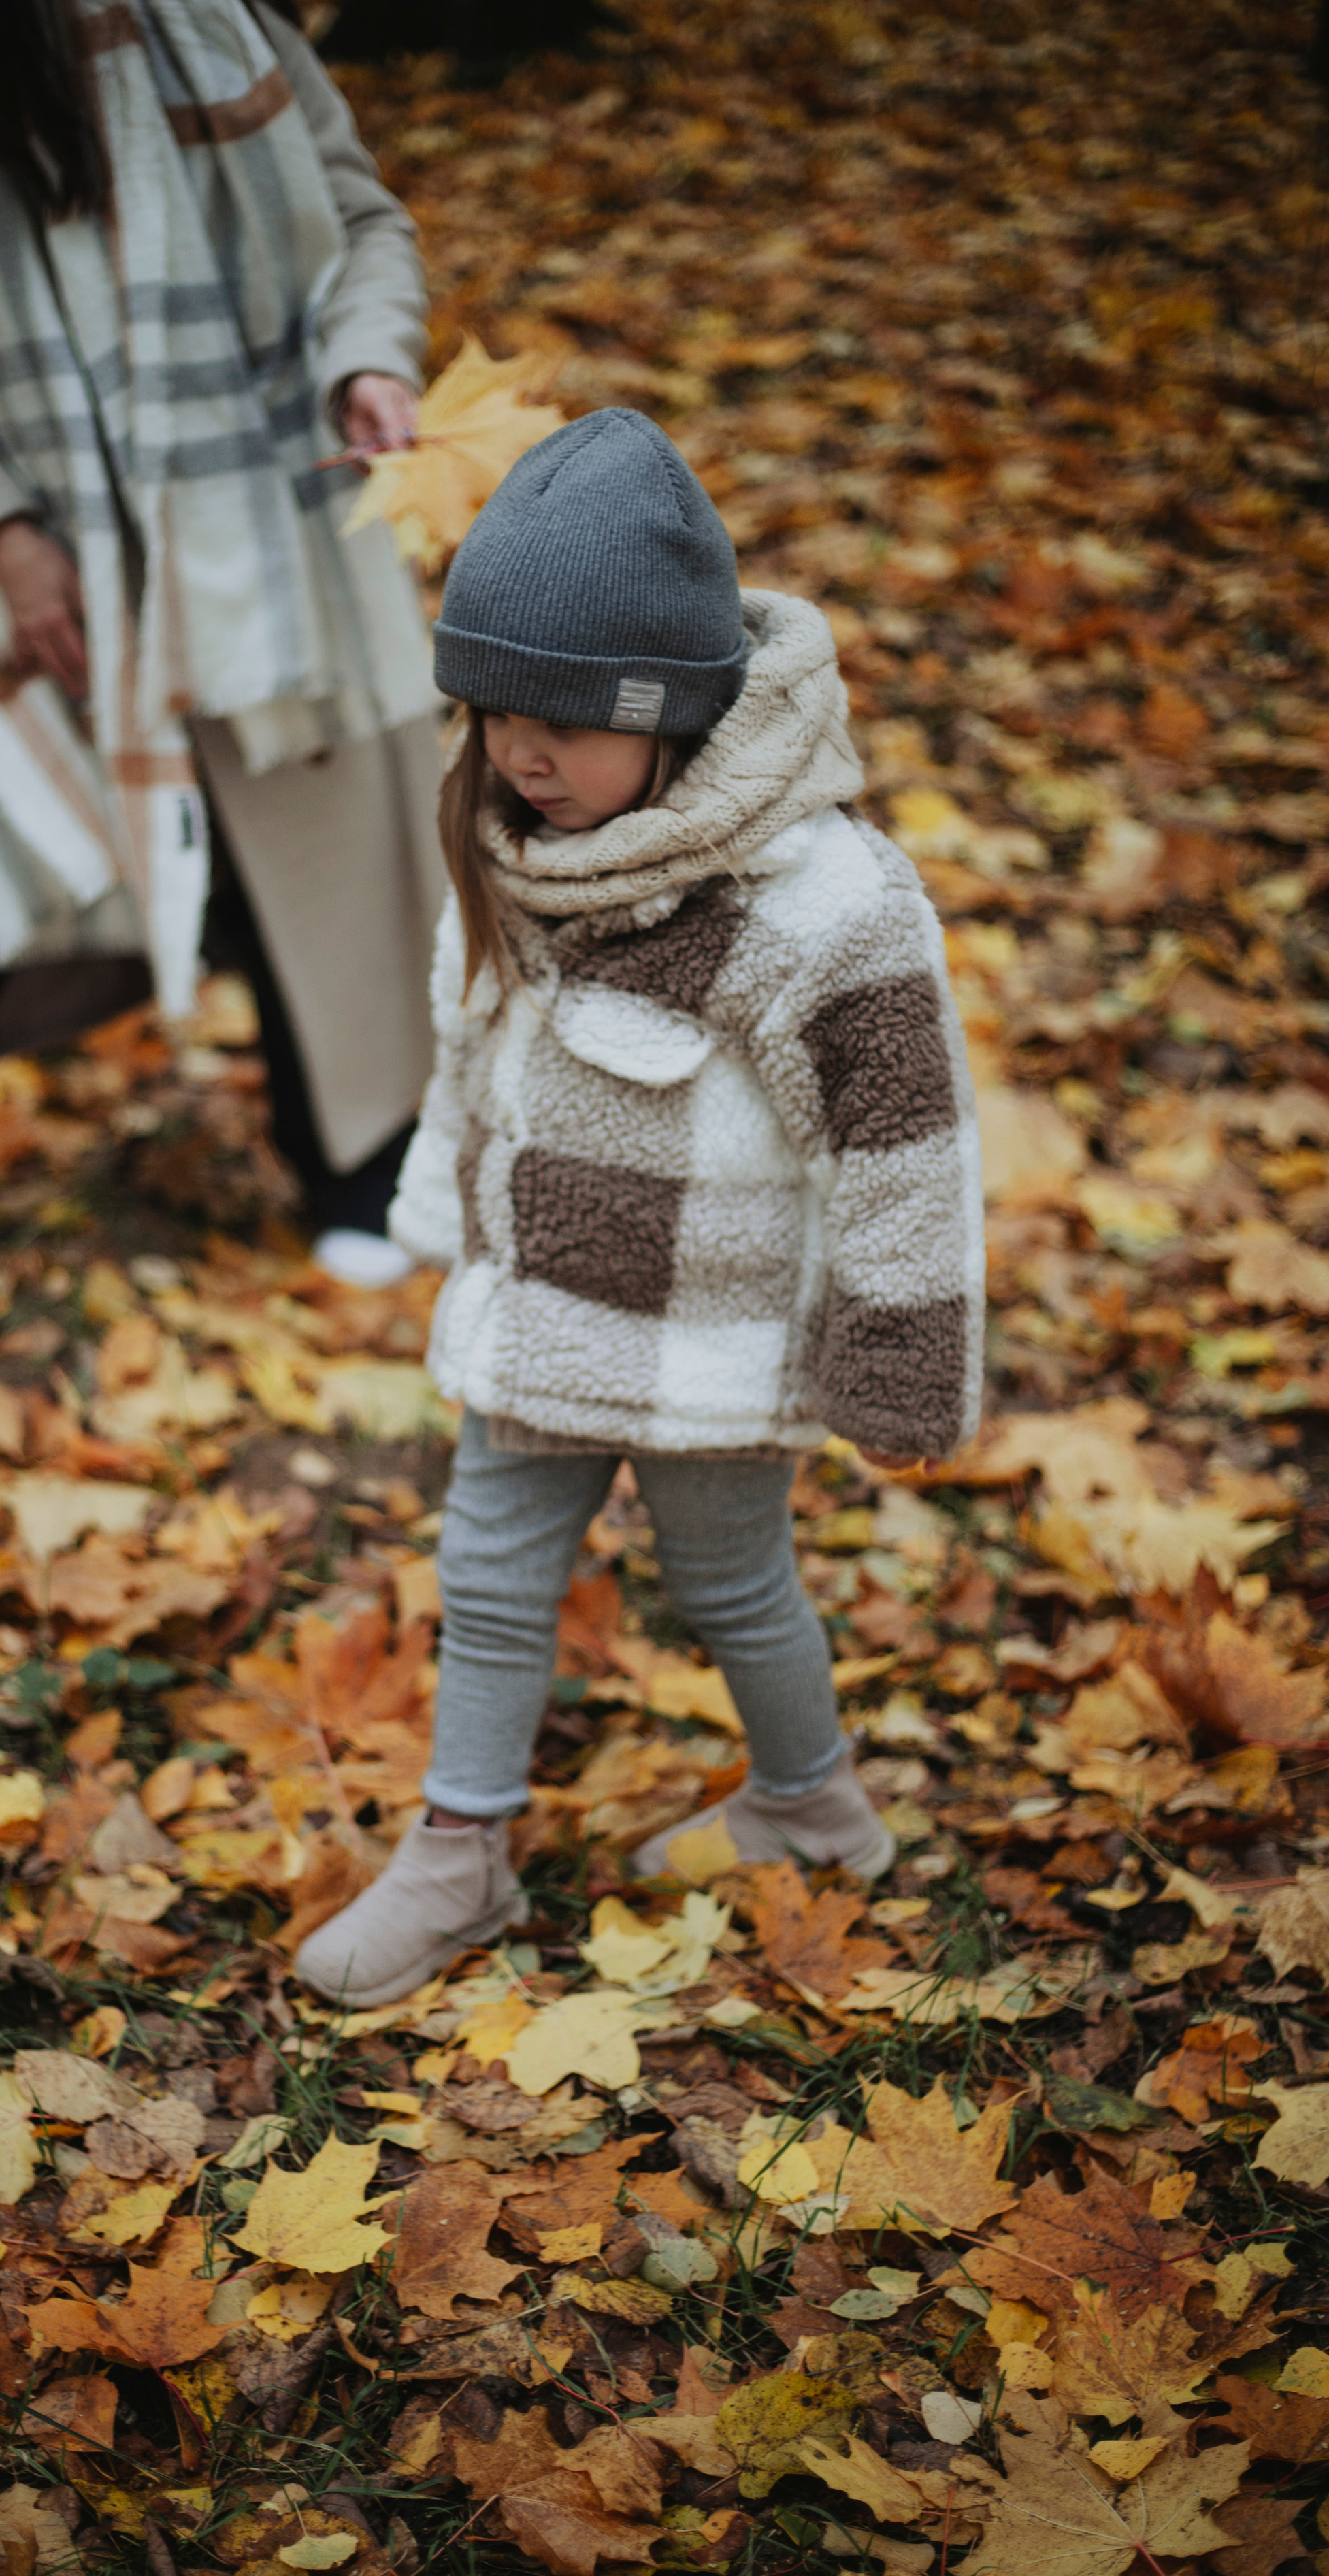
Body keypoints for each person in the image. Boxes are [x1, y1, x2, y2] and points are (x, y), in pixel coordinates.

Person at [297, 410, 985, 2008]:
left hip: (711, 1340)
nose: (520, 754)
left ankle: (810, 1802)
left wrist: (898, 1350)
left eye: (560, 723)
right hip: (540, 1309)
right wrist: (436, 1211)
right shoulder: (515, 844)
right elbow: (470, 1043)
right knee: (483, 1565)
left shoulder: (817, 902)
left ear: (667, 714)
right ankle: (456, 1852)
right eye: (492, 714)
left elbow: (898, 1142)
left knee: (731, 1580)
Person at [0, 0, 448, 1298]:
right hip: (36, 536)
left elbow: (364, 228)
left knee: (298, 817)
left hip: (267, 520)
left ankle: (359, 1163)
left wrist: (367, 364)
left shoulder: (216, 21)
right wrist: (5, 533)